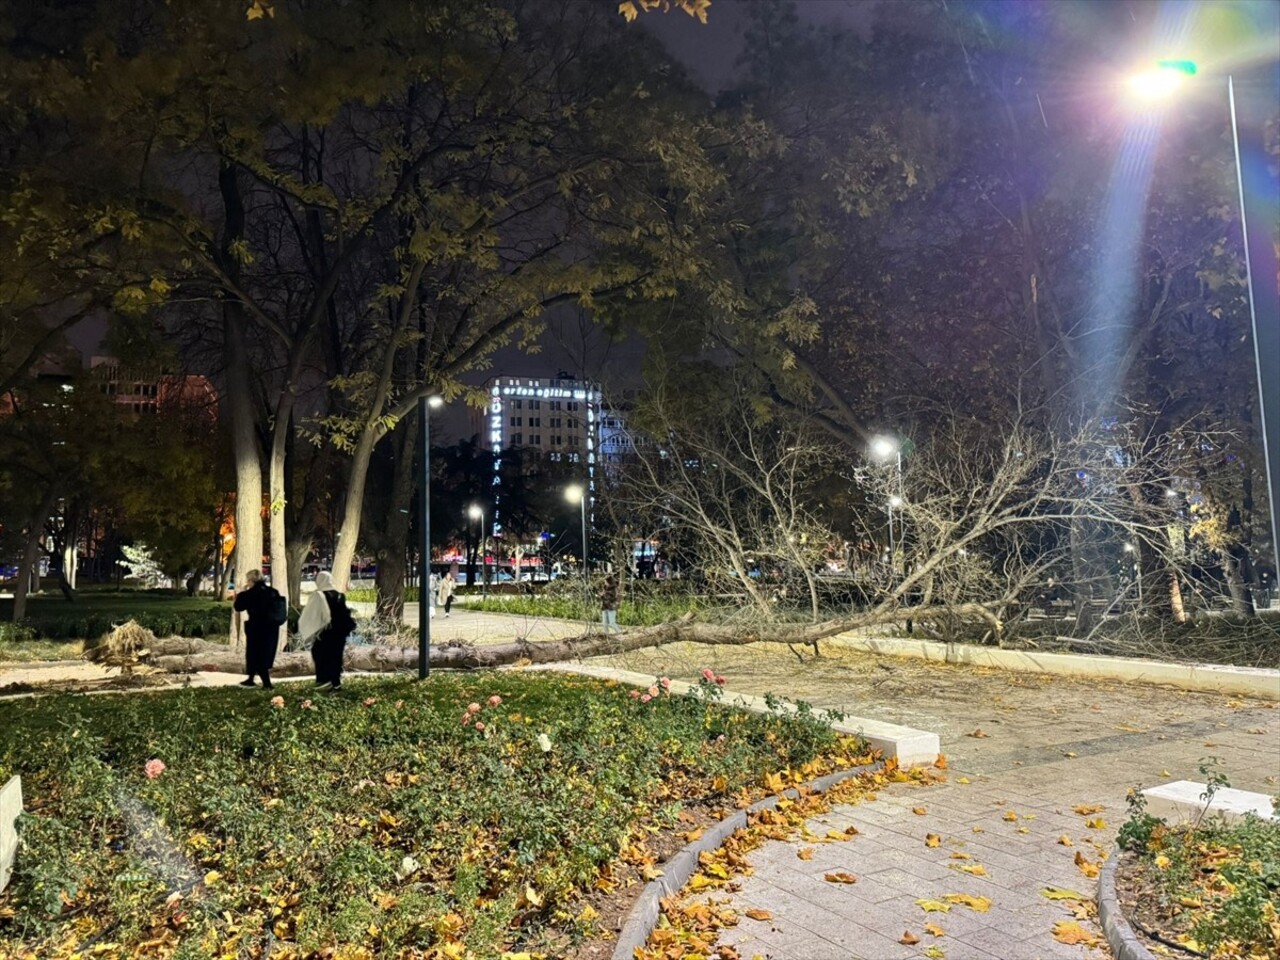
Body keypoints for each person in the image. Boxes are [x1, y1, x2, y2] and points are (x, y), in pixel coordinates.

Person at [299, 571, 356, 690]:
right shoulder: (340, 595)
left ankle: (324, 680)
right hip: (340, 632)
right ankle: (335, 682)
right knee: (336, 655)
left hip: (325, 632)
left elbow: (311, 614)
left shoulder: (318, 596)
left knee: (320, 654)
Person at [233, 569, 283, 689]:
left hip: (257, 628)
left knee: (255, 654)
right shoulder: (273, 592)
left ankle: (267, 684)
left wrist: (239, 595)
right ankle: (250, 678)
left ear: (251, 580)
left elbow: (239, 607)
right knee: (265, 654)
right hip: (272, 628)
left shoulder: (250, 594)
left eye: (248, 580)